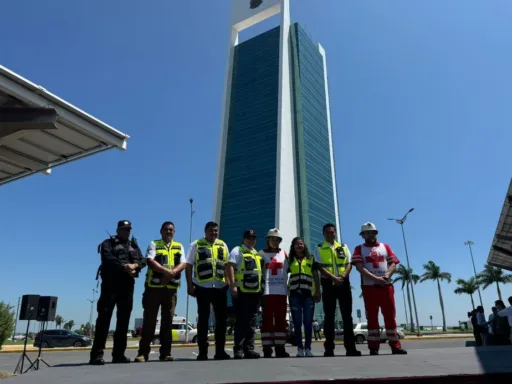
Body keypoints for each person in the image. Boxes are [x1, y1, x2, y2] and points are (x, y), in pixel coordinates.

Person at [90, 220, 146, 365]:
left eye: (128, 229)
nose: (126, 232)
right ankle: (96, 355)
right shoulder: (107, 243)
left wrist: (135, 265)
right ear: (117, 230)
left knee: (123, 320)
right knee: (103, 320)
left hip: (127, 286)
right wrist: (125, 267)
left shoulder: (133, 244)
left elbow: (142, 260)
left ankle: (119, 354)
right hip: (110, 285)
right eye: (123, 229)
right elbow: (108, 259)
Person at [352, 222, 407, 355]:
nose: (372, 235)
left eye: (374, 232)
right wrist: (375, 278)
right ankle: (373, 347)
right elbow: (360, 267)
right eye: (368, 233)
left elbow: (393, 263)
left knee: (390, 316)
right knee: (372, 317)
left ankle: (395, 346)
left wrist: (386, 276)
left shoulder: (385, 247)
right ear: (363, 235)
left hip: (386, 287)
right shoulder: (359, 249)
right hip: (369, 288)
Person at [134, 221, 186, 362]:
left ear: (174, 232)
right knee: (149, 321)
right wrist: (166, 272)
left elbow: (183, 263)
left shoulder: (179, 246)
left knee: (168, 322)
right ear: (161, 231)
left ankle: (166, 353)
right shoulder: (154, 244)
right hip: (154, 289)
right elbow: (150, 261)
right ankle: (143, 353)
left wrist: (173, 272)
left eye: (171, 230)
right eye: (166, 230)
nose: (169, 232)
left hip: (170, 290)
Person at [185, 221, 231, 361]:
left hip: (219, 287)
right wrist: (189, 285)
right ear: (205, 231)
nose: (214, 233)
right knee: (203, 320)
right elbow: (188, 266)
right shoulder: (196, 244)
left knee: (221, 320)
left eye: (216, 231)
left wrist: (229, 281)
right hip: (202, 287)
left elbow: (228, 265)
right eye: (211, 231)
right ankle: (202, 352)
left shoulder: (223, 245)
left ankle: (220, 351)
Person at [314, 223, 361, 357]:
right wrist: (334, 278)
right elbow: (319, 266)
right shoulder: (319, 248)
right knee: (329, 317)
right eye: (328, 232)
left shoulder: (343, 247)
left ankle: (351, 348)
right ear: (323, 234)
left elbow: (349, 263)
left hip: (343, 284)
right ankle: (329, 349)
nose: (330, 234)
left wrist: (342, 277)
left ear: (335, 233)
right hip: (328, 284)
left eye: (332, 232)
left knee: (347, 317)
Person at [225, 229, 262, 359]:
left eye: (253, 238)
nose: (251, 241)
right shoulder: (237, 250)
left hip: (255, 292)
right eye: (249, 238)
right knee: (241, 321)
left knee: (251, 323)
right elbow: (230, 266)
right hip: (241, 291)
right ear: (243, 239)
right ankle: (238, 350)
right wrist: (232, 285)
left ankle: (249, 349)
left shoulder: (256, 253)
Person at [259, 228, 290, 358]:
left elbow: (289, 271)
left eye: (277, 239)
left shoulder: (284, 254)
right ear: (267, 240)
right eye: (272, 239)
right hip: (266, 292)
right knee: (266, 320)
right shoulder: (261, 254)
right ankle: (267, 349)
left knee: (280, 321)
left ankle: (280, 348)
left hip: (281, 292)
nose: (274, 241)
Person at [288, 237, 321, 357]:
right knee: (297, 323)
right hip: (294, 295)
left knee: (308, 322)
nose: (299, 246)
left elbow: (316, 276)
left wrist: (318, 291)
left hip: (308, 295)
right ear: (293, 246)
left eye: (301, 244)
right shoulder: (290, 259)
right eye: (296, 244)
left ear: (304, 245)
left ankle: (308, 348)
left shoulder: (310, 259)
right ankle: (299, 349)